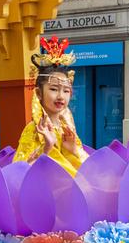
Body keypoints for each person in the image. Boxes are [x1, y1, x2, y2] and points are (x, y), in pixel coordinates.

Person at [14, 36, 87, 175]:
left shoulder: (67, 129)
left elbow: (82, 167)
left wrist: (72, 149)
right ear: (38, 93)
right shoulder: (34, 130)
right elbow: (21, 173)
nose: (61, 96)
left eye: (66, 91)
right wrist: (47, 147)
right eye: (53, 89)